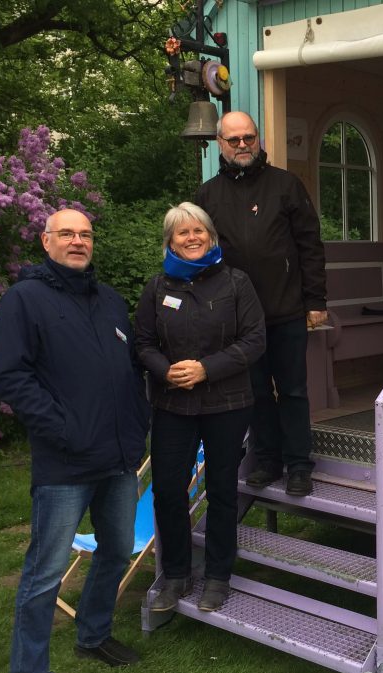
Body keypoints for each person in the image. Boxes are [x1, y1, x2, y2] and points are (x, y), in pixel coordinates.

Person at [0, 208, 150, 673]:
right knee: (44, 574)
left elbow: (133, 368)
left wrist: (138, 423)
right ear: (46, 242)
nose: (77, 241)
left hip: (119, 457)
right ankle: (29, 667)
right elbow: (11, 375)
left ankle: (93, 634)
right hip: (64, 463)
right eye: (66, 234)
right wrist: (64, 429)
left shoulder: (112, 301)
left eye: (85, 234)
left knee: (117, 550)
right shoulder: (24, 299)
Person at [134, 202, 265, 613]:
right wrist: (165, 370)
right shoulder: (158, 288)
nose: (192, 238)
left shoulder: (236, 283)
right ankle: (175, 574)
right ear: (169, 241)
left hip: (227, 403)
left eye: (199, 231)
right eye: (182, 233)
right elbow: (142, 344)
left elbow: (254, 341)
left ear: (211, 236)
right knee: (169, 490)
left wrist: (206, 369)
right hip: (172, 404)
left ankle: (217, 576)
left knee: (223, 490)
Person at [194, 111, 327, 497]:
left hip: (287, 309)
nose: (242, 145)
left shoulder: (286, 185)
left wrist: (315, 300)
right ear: (220, 143)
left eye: (248, 138)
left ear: (259, 140)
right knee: (253, 392)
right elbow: (200, 254)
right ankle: (268, 460)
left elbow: (310, 246)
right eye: (233, 140)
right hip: (237, 319)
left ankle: (300, 465)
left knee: (293, 390)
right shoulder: (207, 195)